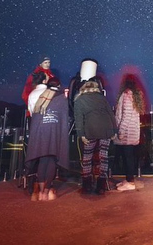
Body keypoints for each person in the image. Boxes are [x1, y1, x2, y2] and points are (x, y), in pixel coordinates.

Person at [73, 59, 117, 196]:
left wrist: (81, 134)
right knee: (103, 157)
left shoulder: (79, 100)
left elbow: (78, 119)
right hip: (106, 129)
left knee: (87, 157)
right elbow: (111, 114)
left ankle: (87, 185)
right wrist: (114, 131)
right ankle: (101, 186)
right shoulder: (102, 98)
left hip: (90, 130)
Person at [25, 71, 70, 201]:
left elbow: (32, 113)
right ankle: (46, 190)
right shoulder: (58, 95)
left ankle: (40, 191)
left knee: (42, 158)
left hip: (39, 130)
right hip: (53, 129)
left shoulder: (34, 95)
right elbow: (63, 114)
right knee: (51, 159)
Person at [114, 74, 145, 191]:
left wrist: (121, 131)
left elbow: (126, 116)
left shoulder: (127, 95)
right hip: (132, 132)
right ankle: (128, 179)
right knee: (129, 157)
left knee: (128, 158)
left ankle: (130, 182)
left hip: (127, 133)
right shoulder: (135, 95)